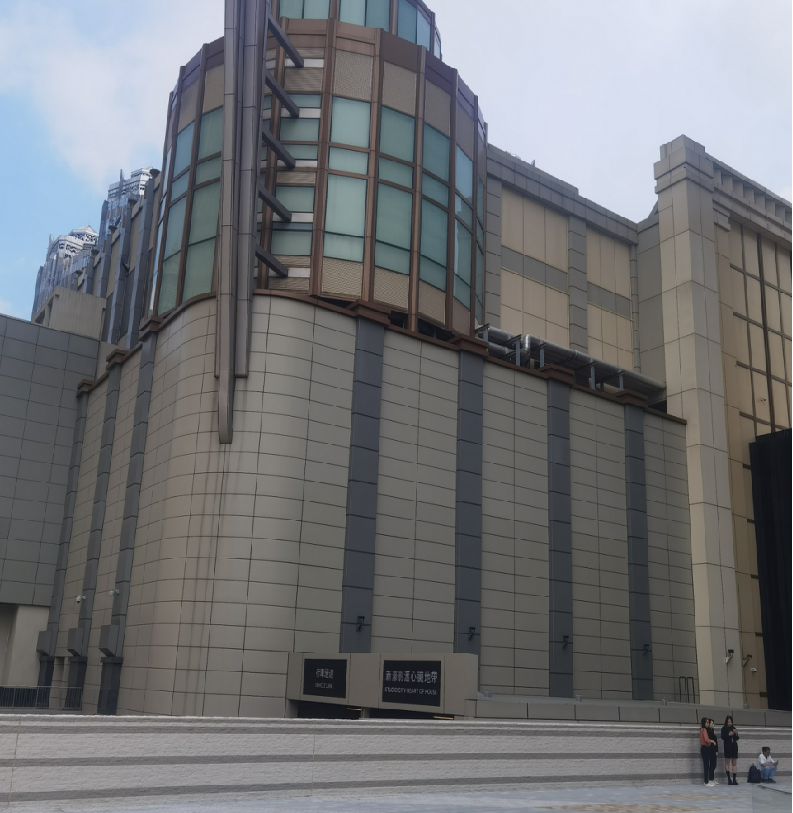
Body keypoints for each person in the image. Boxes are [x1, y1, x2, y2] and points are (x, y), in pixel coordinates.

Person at [721, 715, 739, 785]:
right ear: (726, 722)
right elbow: (722, 737)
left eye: (731, 722)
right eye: (728, 722)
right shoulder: (724, 728)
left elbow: (737, 738)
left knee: (734, 763)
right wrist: (728, 735)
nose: (730, 723)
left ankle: (734, 779)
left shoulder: (734, 728)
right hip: (727, 747)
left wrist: (736, 734)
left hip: (734, 747)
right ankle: (729, 778)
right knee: (727, 763)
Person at [700, 717, 717, 786]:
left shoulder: (703, 730)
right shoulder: (704, 730)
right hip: (705, 748)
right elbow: (706, 739)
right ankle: (706, 781)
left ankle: (707, 781)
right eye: (706, 722)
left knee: (707, 764)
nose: (707, 724)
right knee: (706, 765)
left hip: (706, 748)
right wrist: (712, 741)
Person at [707, 719, 719, 785]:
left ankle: (712, 778)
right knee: (712, 765)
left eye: (713, 723)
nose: (712, 724)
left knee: (714, 765)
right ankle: (710, 779)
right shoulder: (708, 731)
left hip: (714, 750)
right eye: (711, 723)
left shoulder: (712, 731)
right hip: (711, 750)